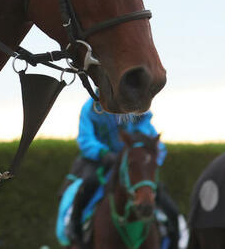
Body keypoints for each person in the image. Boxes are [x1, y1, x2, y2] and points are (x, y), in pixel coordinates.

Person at [68, 98, 181, 249]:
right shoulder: (90, 108)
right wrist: (102, 152)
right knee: (89, 183)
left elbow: (151, 137)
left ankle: (174, 238)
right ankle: (75, 233)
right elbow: (85, 138)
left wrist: (143, 152)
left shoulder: (136, 105)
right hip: (103, 161)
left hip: (135, 164)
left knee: (165, 200)